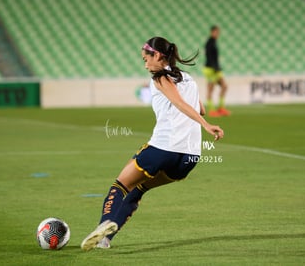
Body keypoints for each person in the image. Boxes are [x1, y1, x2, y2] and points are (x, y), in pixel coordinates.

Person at [81, 37, 224, 251]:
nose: (145, 64)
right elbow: (199, 107)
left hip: (162, 148)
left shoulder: (159, 77)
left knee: (121, 185)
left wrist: (205, 125)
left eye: (146, 58)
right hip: (189, 157)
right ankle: (106, 240)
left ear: (158, 55)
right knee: (138, 189)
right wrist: (200, 117)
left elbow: (179, 103)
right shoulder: (188, 78)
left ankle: (103, 227)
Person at [203, 25, 231, 117]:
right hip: (210, 69)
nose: (217, 34)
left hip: (215, 68)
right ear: (212, 32)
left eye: (218, 32)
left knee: (224, 86)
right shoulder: (209, 43)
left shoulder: (214, 42)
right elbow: (209, 57)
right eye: (216, 32)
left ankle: (221, 108)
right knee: (211, 88)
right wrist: (215, 67)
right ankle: (211, 110)